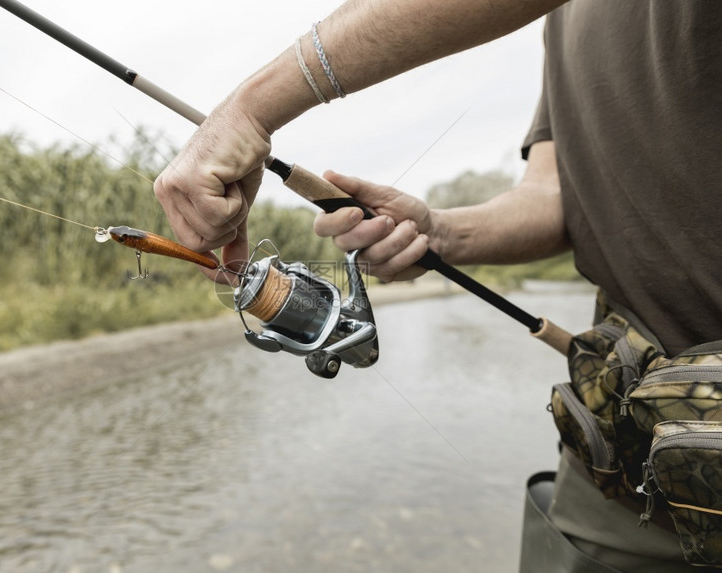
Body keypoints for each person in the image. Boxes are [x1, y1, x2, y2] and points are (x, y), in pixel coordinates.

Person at [153, 1, 722, 571]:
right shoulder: (564, 20)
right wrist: (440, 234)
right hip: (623, 448)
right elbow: (556, 199)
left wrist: (250, 110)